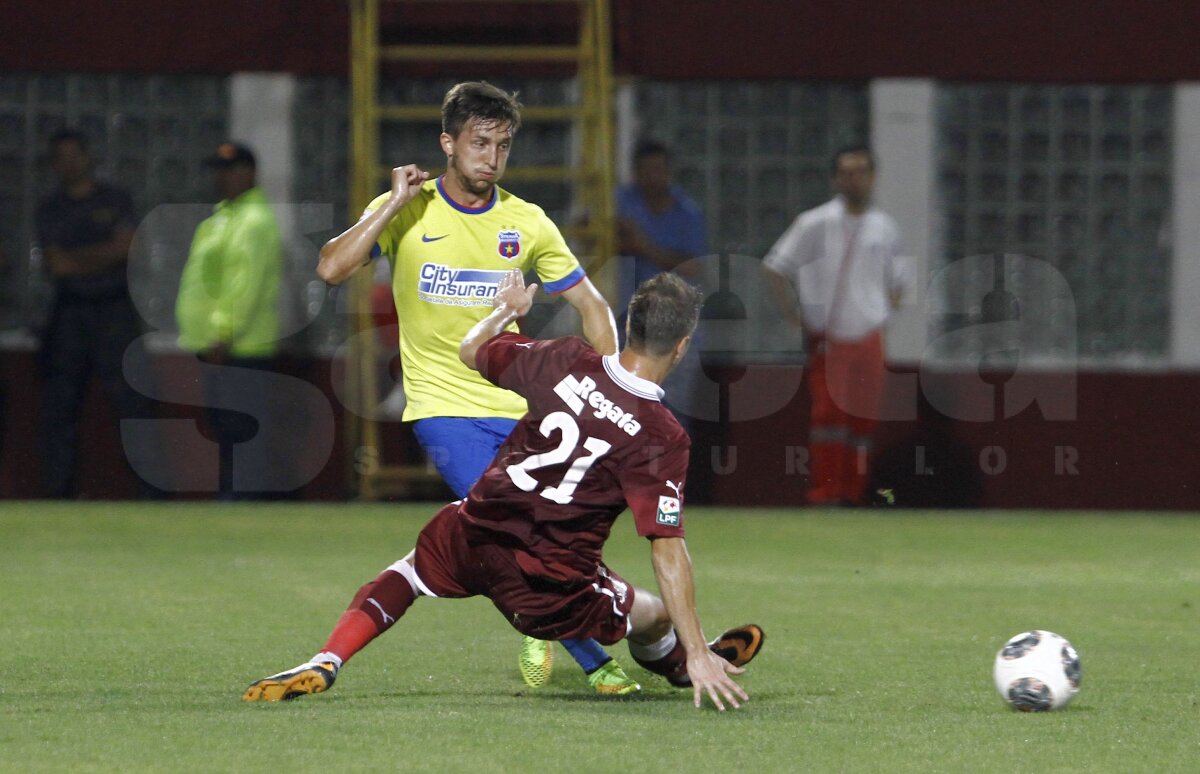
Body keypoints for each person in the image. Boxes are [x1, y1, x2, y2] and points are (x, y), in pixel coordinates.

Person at [242, 271, 764, 710]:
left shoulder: (564, 358)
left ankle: (327, 659)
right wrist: (693, 645)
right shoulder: (661, 434)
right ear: (683, 345)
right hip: (550, 583)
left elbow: (472, 351)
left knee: (407, 573)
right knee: (652, 614)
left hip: (478, 531)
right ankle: (687, 663)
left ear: (629, 326)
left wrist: (506, 309)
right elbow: (667, 546)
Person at [315, 81, 636, 694]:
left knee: (551, 528)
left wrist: (614, 385)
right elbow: (331, 268)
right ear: (448, 144)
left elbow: (592, 306)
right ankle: (597, 660)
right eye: (479, 142)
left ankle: (547, 628)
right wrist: (389, 205)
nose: (491, 157)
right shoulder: (406, 207)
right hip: (443, 406)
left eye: (502, 145)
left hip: (523, 405)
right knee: (520, 525)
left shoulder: (526, 221)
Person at [763, 145, 908, 506]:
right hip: (829, 337)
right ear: (835, 178)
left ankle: (854, 493)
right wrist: (792, 312)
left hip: (869, 338)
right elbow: (776, 266)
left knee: (864, 420)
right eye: (845, 171)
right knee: (829, 418)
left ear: (872, 177)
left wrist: (879, 315)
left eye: (860, 171)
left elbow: (900, 282)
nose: (853, 179)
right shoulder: (815, 222)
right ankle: (824, 493)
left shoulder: (884, 228)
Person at [34, 129, 160, 498]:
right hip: (70, 313)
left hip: (114, 310)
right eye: (62, 156)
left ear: (89, 157)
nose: (70, 163)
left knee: (134, 403)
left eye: (77, 154)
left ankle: (151, 496)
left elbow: (127, 249)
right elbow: (57, 266)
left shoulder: (114, 198)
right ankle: (56, 495)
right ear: (54, 165)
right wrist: (103, 253)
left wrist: (79, 257)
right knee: (59, 408)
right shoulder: (50, 207)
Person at [175, 142, 283, 500]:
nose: (222, 178)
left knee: (241, 428)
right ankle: (235, 497)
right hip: (221, 343)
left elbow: (244, 286)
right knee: (227, 427)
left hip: (241, 345)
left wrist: (223, 333)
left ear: (249, 173)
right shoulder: (226, 216)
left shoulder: (252, 221)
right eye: (219, 170)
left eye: (231, 169)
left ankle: (244, 501)